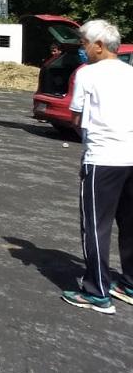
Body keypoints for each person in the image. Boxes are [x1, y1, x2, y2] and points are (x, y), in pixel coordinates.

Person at [61, 19, 133, 314]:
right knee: (130, 224)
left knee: (95, 226)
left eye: (84, 43)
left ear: (99, 46)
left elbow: (76, 118)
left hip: (102, 159)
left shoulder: (87, 74)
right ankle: (129, 283)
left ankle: (97, 291)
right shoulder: (130, 72)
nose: (82, 48)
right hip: (131, 157)